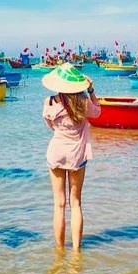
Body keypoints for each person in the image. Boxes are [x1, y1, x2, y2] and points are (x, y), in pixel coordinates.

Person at [41, 63, 101, 251]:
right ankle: (76, 251)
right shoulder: (83, 103)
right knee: (75, 203)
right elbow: (98, 112)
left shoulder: (50, 102)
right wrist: (91, 90)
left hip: (56, 151)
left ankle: (59, 251)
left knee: (59, 205)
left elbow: (50, 125)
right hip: (77, 154)